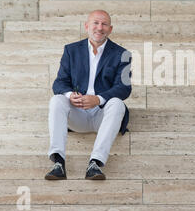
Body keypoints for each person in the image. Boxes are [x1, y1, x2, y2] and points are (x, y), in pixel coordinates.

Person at [45, 10, 132, 180]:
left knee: (117, 103)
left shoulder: (122, 54)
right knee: (57, 100)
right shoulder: (71, 50)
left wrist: (98, 99)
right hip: (77, 114)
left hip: (102, 115)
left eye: (104, 24)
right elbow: (59, 82)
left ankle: (95, 163)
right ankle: (58, 162)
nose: (100, 28)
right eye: (95, 23)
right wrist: (70, 95)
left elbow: (124, 88)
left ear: (110, 28)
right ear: (86, 26)